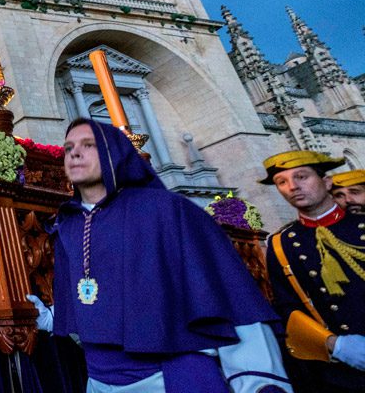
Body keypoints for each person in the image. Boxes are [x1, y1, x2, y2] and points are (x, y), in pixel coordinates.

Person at [27, 119, 290, 393]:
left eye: (88, 145)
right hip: (99, 380)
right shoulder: (68, 224)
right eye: (68, 148)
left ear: (115, 153)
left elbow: (228, 298)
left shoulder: (169, 210)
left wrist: (259, 380)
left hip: (169, 377)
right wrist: (53, 317)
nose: (74, 153)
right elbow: (101, 293)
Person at [261, 151, 365, 392]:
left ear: (327, 182)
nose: (293, 187)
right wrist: (334, 344)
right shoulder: (281, 243)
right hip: (342, 371)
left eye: (302, 176)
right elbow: (288, 307)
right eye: (282, 182)